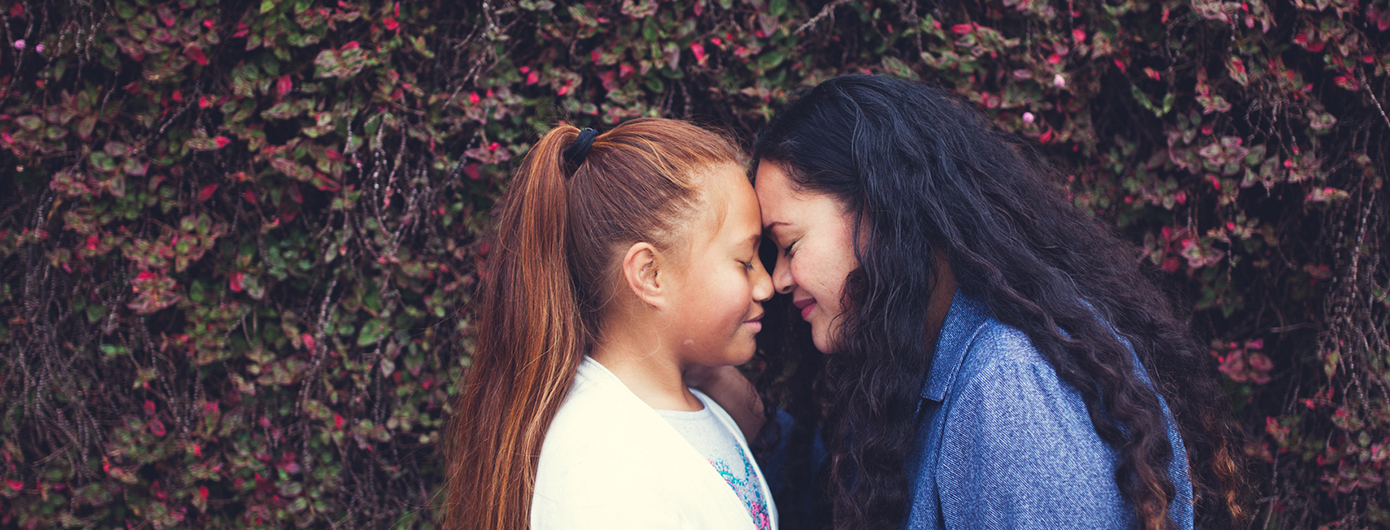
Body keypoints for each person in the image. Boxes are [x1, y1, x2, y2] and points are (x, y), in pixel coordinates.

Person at [733, 74, 1247, 530]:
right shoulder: (926, 361)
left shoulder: (1010, 386)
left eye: (789, 245)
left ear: (882, 212)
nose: (777, 280)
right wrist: (739, 407)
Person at [441, 119, 778, 530]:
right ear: (651, 275)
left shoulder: (699, 411)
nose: (766, 285)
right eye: (745, 262)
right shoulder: (600, 465)